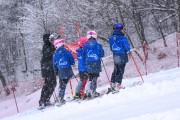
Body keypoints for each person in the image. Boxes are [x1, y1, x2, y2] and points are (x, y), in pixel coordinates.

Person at [53, 38, 75, 106]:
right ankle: (60, 97)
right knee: (64, 84)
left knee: (62, 84)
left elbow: (54, 63)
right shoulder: (66, 51)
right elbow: (72, 60)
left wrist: (56, 71)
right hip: (67, 69)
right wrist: (71, 62)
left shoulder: (55, 53)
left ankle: (59, 97)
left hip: (61, 70)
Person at [109, 23, 131, 91]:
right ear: (120, 29)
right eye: (122, 29)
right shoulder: (122, 37)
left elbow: (111, 47)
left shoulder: (111, 38)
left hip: (115, 55)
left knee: (116, 69)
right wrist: (128, 50)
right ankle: (118, 83)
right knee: (121, 70)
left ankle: (112, 83)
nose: (123, 30)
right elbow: (126, 46)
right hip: (122, 55)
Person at [83, 30, 104, 99]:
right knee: (95, 77)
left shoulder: (85, 46)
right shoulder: (98, 45)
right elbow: (102, 54)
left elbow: (83, 55)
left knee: (90, 77)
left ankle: (88, 90)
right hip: (96, 62)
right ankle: (93, 91)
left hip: (88, 62)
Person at [39, 33, 57, 109]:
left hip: (49, 68)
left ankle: (46, 99)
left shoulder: (49, 46)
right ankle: (43, 100)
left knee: (52, 84)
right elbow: (49, 54)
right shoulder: (46, 46)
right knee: (49, 84)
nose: (52, 40)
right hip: (47, 69)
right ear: (47, 39)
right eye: (51, 39)